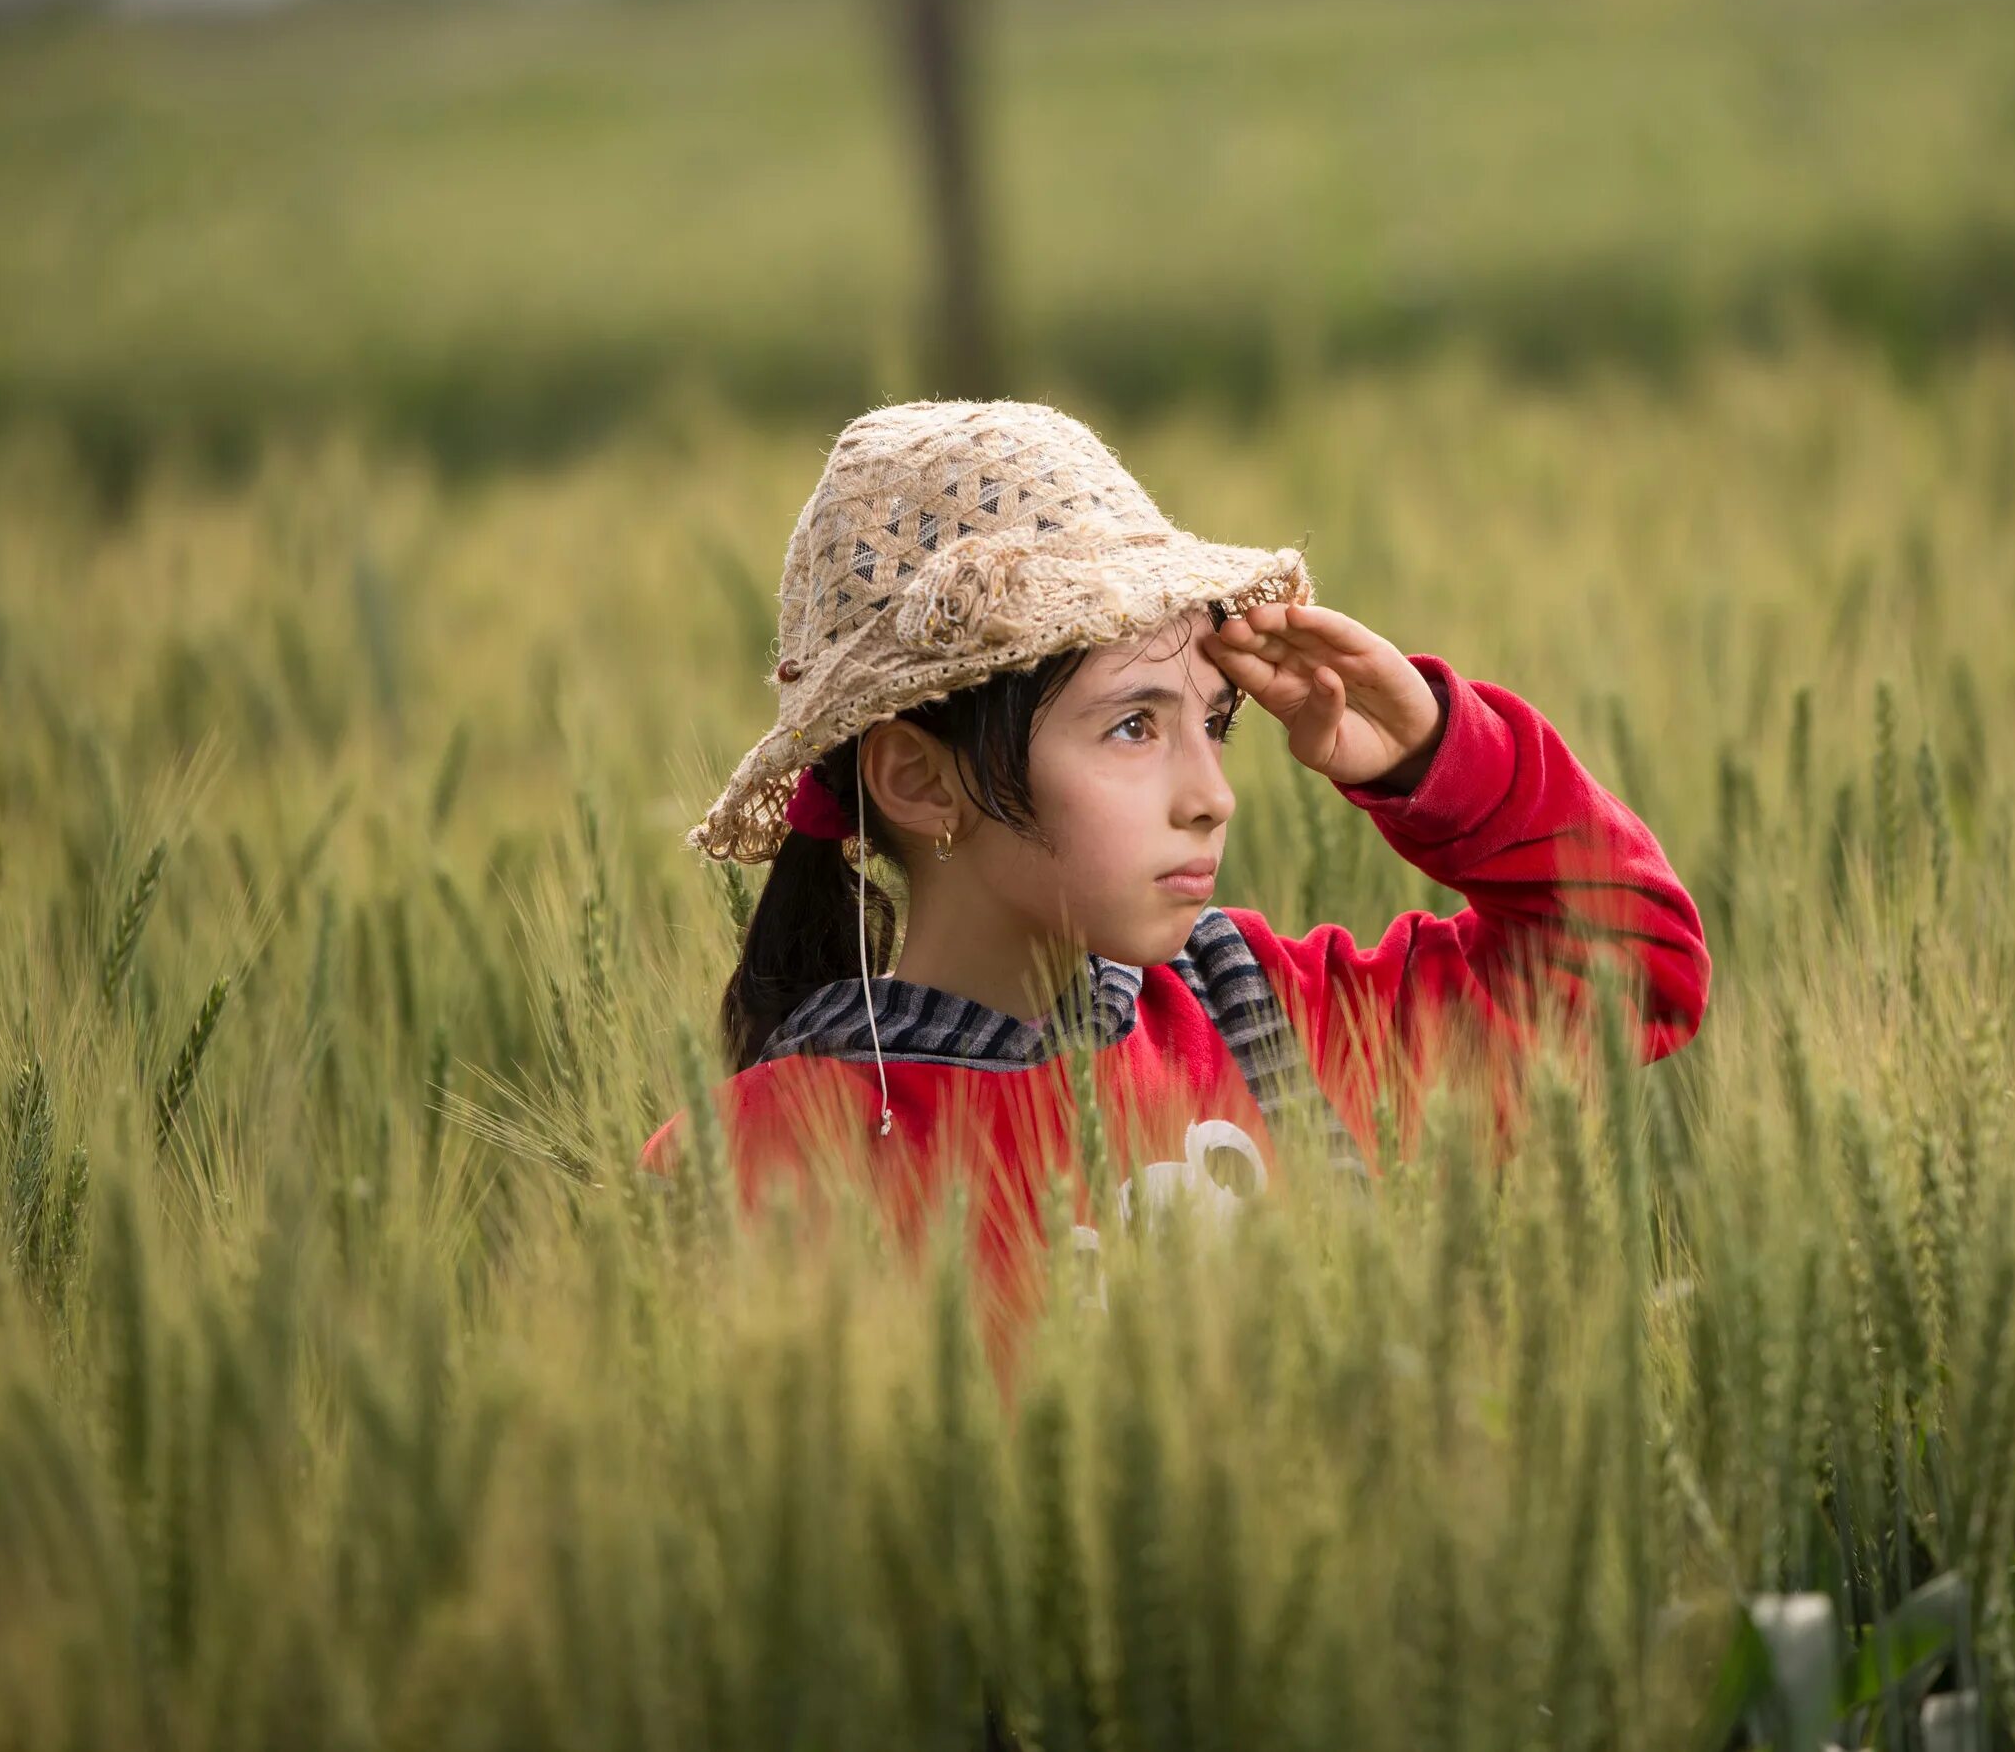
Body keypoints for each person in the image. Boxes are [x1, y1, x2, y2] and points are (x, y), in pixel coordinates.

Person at [637, 398, 1709, 1352]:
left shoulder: (1274, 1024)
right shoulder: (737, 1171)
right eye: (1136, 725)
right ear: (919, 779)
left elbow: (1639, 969)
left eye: (1217, 722)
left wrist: (1436, 750)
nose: (1212, 793)